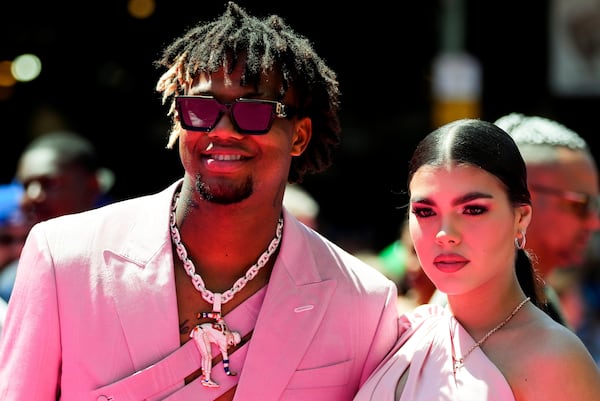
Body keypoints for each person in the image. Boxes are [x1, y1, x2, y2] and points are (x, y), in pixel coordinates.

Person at [0, 3, 400, 400]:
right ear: (179, 119)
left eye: (253, 112)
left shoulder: (362, 301)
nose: (222, 130)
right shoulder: (64, 258)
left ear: (299, 135)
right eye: (201, 109)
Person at [353, 119, 600, 401]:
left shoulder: (555, 358)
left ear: (520, 218)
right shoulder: (400, 334)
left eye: (473, 210)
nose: (445, 234)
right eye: (424, 211)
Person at [494, 112, 600, 327]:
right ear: (521, 197)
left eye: (596, 205)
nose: (594, 222)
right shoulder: (470, 311)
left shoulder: (540, 297)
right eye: (580, 205)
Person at [15, 130, 115, 225]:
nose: (33, 195)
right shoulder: (10, 237)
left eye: (50, 184)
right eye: (25, 186)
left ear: (93, 185)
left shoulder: (123, 237)